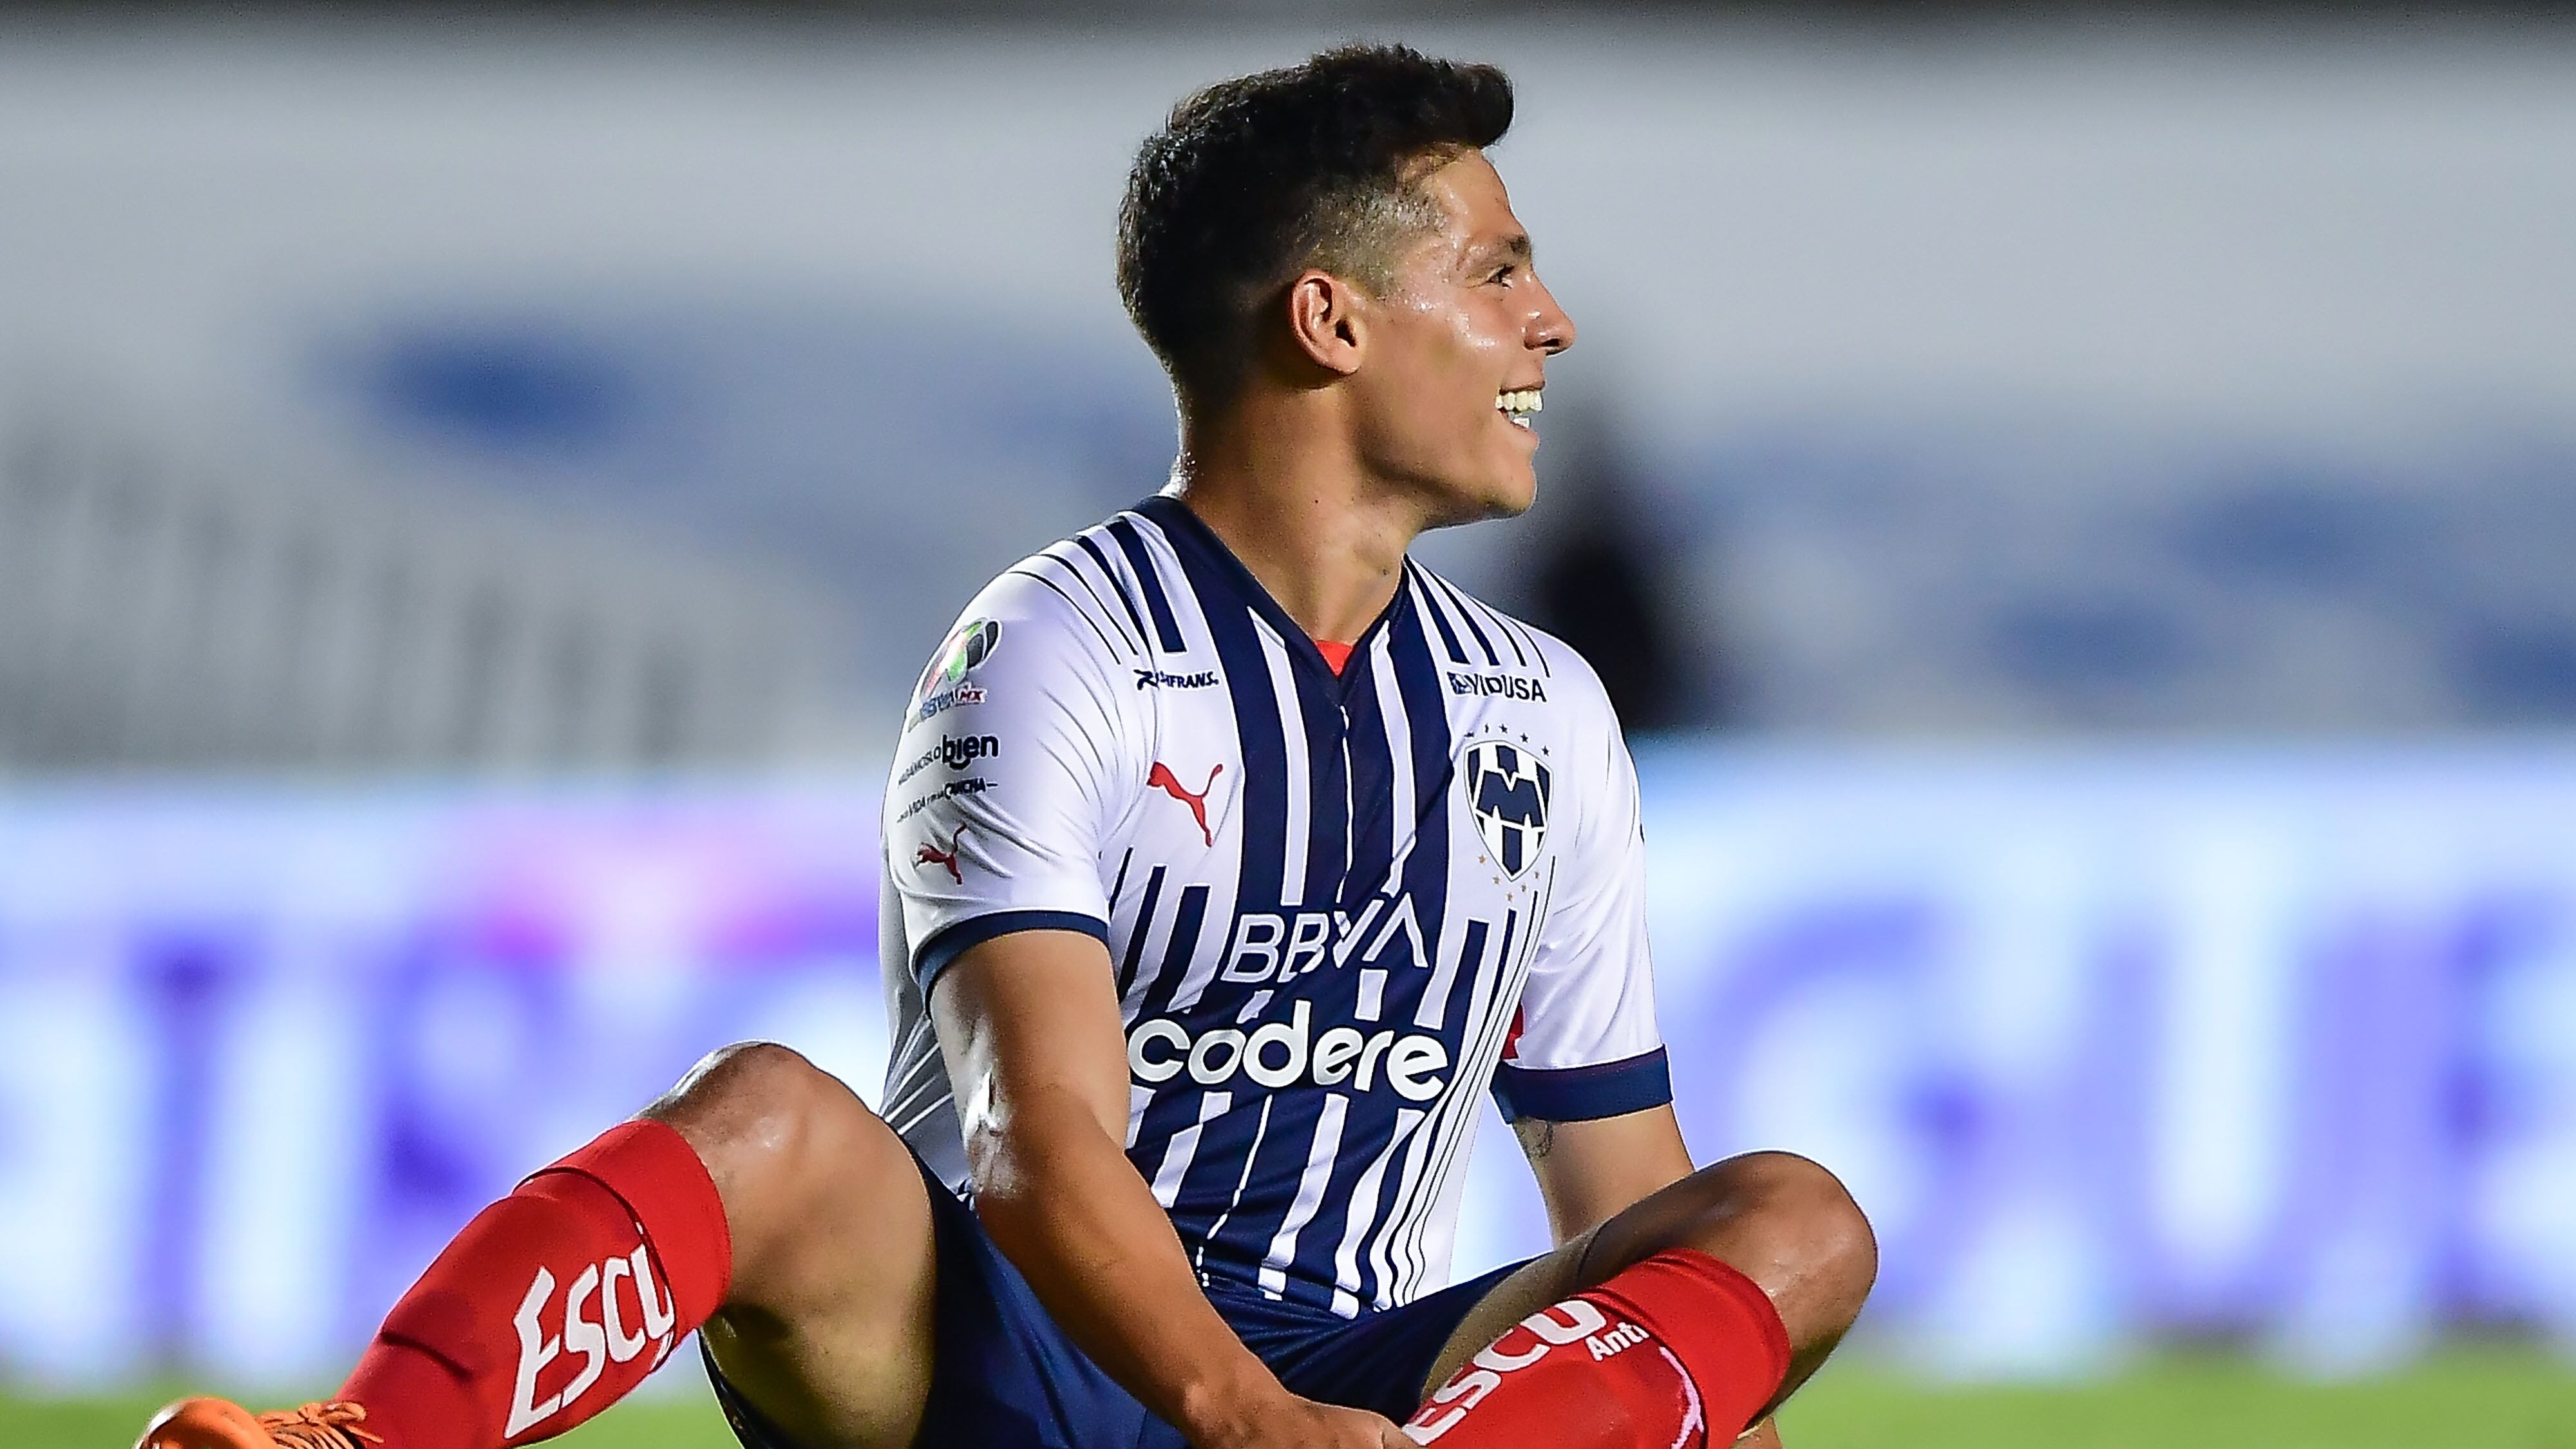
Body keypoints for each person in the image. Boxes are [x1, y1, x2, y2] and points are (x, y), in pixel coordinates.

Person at [140, 44, 1874, 1449]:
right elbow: (1035, 1144)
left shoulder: (1541, 710)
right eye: (1497, 272)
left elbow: (1628, 1208)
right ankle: (364, 1439)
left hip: (1359, 1382)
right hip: (1022, 1351)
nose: (1549, 321)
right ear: (1331, 321)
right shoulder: (1059, 646)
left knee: (1792, 1220)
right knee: (767, 1117)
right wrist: (1239, 1416)